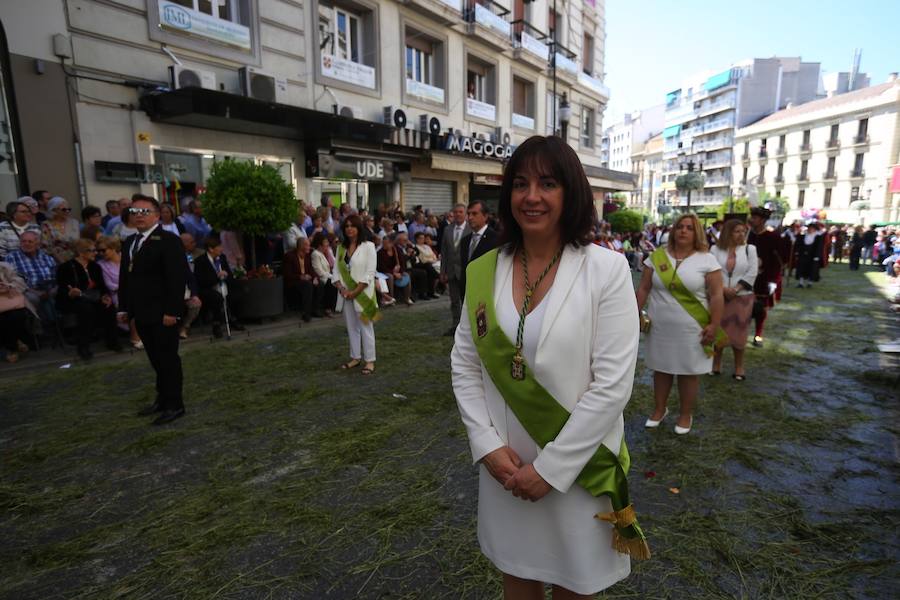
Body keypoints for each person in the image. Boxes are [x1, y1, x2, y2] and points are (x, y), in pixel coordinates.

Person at [451, 136, 648, 599]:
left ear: (571, 192)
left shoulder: (607, 270)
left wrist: (551, 469)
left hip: (577, 469)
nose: (531, 196)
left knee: (573, 580)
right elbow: (465, 364)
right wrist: (487, 446)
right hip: (506, 465)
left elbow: (612, 386)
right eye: (520, 183)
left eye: (548, 183)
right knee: (517, 574)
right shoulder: (484, 270)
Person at [636, 213, 724, 434]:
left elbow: (716, 296)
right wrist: (633, 312)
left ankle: (685, 415)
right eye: (680, 227)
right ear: (673, 231)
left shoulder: (707, 260)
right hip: (659, 326)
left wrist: (714, 324)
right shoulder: (656, 257)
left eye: (690, 228)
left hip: (692, 327)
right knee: (661, 369)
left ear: (697, 234)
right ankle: (659, 410)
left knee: (688, 372)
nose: (684, 231)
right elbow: (644, 288)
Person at [118, 197, 188, 425]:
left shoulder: (168, 241)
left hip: (163, 312)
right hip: (141, 311)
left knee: (168, 359)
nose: (139, 214)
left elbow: (177, 279)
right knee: (155, 359)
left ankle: (175, 404)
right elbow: (125, 278)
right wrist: (124, 307)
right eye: (135, 210)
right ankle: (162, 398)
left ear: (157, 215)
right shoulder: (130, 242)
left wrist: (173, 311)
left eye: (145, 211)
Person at [56, 238, 121, 359]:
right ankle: (83, 346)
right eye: (92, 250)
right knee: (85, 309)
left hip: (93, 297)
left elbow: (102, 286)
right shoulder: (66, 267)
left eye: (95, 250)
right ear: (81, 253)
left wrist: (105, 296)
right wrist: (70, 292)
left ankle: (112, 341)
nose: (96, 253)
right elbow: (62, 289)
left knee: (108, 306)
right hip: (73, 300)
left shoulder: (95, 266)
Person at [709, 219, 757, 380]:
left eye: (743, 231)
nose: (741, 234)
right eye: (737, 231)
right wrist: (722, 289)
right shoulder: (715, 249)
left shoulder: (750, 249)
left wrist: (736, 289)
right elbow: (710, 270)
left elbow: (752, 272)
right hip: (719, 297)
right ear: (728, 232)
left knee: (740, 332)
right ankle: (716, 363)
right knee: (719, 330)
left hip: (742, 297)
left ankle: (739, 367)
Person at [332, 214, 378, 375]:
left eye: (352, 226)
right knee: (351, 327)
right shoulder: (340, 248)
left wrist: (355, 291)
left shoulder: (369, 246)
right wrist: (342, 288)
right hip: (345, 295)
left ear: (359, 228)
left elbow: (370, 273)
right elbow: (336, 271)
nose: (349, 229)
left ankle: (370, 360)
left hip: (363, 294)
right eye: (346, 226)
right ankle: (355, 357)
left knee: (366, 327)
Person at [194, 233, 244, 338]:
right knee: (216, 297)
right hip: (208, 288)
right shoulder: (200, 261)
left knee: (236, 292)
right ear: (211, 249)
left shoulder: (222, 258)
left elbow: (229, 274)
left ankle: (233, 318)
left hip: (223, 285)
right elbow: (202, 281)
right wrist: (217, 277)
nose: (221, 249)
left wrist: (226, 275)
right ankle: (216, 324)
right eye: (219, 247)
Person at [96, 236, 143, 349]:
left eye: (103, 250)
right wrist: (127, 286)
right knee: (132, 303)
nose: (101, 253)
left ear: (113, 248)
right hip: (117, 295)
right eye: (99, 251)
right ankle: (135, 337)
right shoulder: (100, 265)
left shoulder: (128, 258)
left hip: (135, 290)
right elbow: (110, 286)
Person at [5, 230, 57, 324]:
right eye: (23, 241)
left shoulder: (46, 257)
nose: (26, 244)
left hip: (48, 288)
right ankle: (36, 329)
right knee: (33, 298)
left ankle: (61, 326)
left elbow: (56, 276)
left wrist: (51, 290)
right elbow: (10, 280)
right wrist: (33, 291)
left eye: (30, 241)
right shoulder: (11, 257)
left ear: (37, 244)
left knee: (63, 291)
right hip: (26, 290)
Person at [747, 207, 782, 347]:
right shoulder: (747, 235)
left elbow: (778, 261)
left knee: (761, 308)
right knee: (745, 306)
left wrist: (774, 280)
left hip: (764, 277)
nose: (751, 220)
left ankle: (758, 335)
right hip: (747, 276)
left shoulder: (773, 237)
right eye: (752, 217)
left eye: (754, 218)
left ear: (762, 220)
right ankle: (743, 332)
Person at [459, 200, 499, 300]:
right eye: (468, 214)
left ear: (485, 216)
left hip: (487, 294)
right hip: (467, 294)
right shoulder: (465, 241)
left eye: (474, 214)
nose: (470, 217)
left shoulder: (496, 239)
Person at [440, 203, 470, 335]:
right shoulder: (447, 229)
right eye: (455, 212)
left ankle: (467, 326)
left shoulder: (471, 229)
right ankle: (455, 325)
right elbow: (444, 252)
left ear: (465, 214)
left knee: (466, 301)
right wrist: (443, 271)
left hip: (466, 272)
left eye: (460, 212)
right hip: (451, 271)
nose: (458, 214)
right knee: (454, 301)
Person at [0, 262, 33, 363]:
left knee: (17, 316)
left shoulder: (4, 266)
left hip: (10, 299)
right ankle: (14, 346)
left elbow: (19, 281)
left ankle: (12, 347)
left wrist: (8, 285)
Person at [283, 237, 317, 321]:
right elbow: (287, 275)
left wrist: (315, 277)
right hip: (293, 282)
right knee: (307, 285)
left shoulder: (308, 256)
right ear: (301, 246)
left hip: (305, 280)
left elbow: (311, 270)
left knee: (319, 284)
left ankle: (315, 310)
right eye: (308, 245)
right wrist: (301, 277)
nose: (309, 247)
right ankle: (306, 313)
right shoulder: (289, 256)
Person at [42, 196, 81, 264]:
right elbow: (46, 246)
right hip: (56, 261)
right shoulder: (47, 225)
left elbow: (79, 242)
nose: (67, 211)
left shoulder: (74, 223)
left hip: (76, 259)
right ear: (53, 210)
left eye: (69, 209)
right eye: (63, 209)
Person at [377, 236, 412, 306]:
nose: (384, 246)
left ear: (391, 243)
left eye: (386, 244)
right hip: (386, 271)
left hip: (397, 271)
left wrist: (400, 272)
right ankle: (390, 298)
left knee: (406, 275)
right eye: (383, 244)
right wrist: (394, 273)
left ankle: (407, 297)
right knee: (390, 277)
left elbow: (402, 263)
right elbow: (382, 267)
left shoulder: (397, 250)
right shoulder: (380, 253)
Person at [310, 232, 337, 317]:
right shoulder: (315, 254)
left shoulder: (321, 254)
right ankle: (327, 308)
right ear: (320, 244)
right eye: (325, 242)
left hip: (326, 276)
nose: (327, 244)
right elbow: (318, 271)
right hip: (321, 278)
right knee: (331, 282)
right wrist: (332, 276)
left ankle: (334, 306)